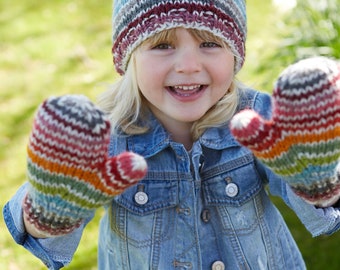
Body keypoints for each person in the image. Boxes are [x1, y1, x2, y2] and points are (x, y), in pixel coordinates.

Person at [3, 0, 340, 269]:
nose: (189, 64)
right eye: (163, 45)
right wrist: (50, 212)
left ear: (235, 55)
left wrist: (317, 180)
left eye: (209, 42)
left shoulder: (255, 119)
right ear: (130, 57)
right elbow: (37, 233)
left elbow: (322, 206)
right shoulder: (102, 136)